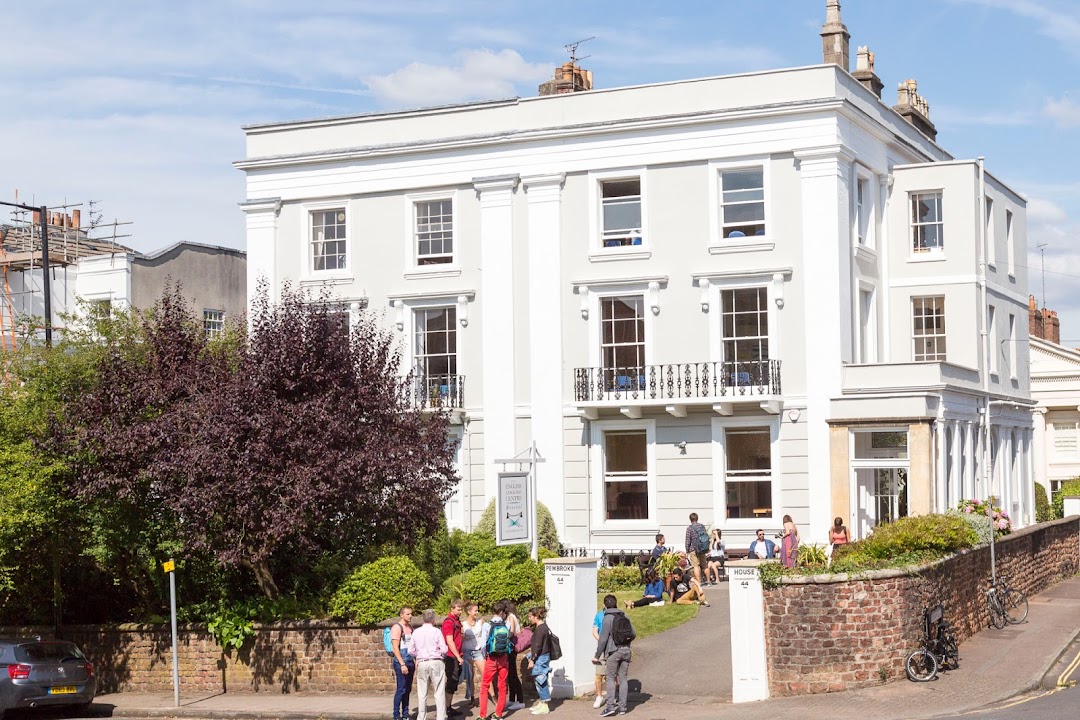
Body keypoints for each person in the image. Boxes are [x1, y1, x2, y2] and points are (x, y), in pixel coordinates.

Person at [594, 594, 635, 718]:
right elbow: (633, 633)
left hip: (613, 652)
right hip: (626, 650)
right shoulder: (624, 615)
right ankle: (623, 707)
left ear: (605, 605)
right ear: (616, 603)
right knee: (623, 678)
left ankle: (610, 707)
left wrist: (597, 655)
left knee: (611, 678)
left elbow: (603, 639)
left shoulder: (607, 618)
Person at [411, 608, 448, 720]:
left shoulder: (416, 632)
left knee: (422, 693)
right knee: (439, 692)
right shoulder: (436, 631)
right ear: (433, 619)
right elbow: (444, 649)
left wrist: (419, 654)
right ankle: (441, 717)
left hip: (422, 662)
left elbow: (410, 650)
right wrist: (439, 654)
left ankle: (421, 717)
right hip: (436, 661)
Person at [479, 602, 510, 720]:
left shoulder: (487, 625)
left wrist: (485, 657)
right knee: (502, 686)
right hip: (503, 658)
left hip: (491, 659)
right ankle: (498, 714)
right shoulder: (506, 625)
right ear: (502, 612)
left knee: (484, 686)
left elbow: (483, 645)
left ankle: (482, 715)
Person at [526, 606, 553, 715]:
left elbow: (538, 646)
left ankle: (545, 705)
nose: (529, 618)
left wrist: (532, 659)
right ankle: (542, 702)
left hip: (540, 657)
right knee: (539, 680)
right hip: (543, 656)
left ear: (536, 616)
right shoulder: (543, 627)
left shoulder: (540, 629)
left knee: (540, 680)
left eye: (530, 616)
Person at [441, 600, 465, 717]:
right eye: (458, 609)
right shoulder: (449, 622)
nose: (460, 612)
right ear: (452, 609)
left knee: (454, 682)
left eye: (461, 609)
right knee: (451, 682)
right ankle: (446, 708)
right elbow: (449, 642)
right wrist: (458, 657)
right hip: (452, 657)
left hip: (457, 656)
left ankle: (448, 707)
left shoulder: (456, 621)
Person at [390, 606, 415, 720]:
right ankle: (396, 715)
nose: (410, 616)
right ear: (401, 615)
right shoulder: (397, 627)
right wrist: (402, 664)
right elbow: (395, 648)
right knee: (401, 689)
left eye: (411, 614)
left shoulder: (410, 627)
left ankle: (405, 714)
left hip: (410, 661)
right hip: (401, 662)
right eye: (408, 614)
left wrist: (416, 660)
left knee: (408, 689)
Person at [503, 601, 526, 712]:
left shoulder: (511, 617)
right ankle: (512, 699)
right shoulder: (510, 617)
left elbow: (511, 632)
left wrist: (502, 637)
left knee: (513, 674)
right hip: (509, 647)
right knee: (510, 674)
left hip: (511, 647)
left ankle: (520, 701)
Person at [461, 603, 483, 706]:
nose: (477, 613)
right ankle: (472, 698)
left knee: (486, 674)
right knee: (470, 676)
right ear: (469, 612)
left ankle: (492, 697)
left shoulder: (481, 622)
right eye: (475, 611)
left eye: (477, 610)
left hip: (478, 651)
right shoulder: (463, 624)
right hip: (467, 651)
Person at [684, 512, 709, 586]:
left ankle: (699, 582)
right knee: (705, 565)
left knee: (696, 566)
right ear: (697, 518)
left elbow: (688, 540)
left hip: (693, 549)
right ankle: (708, 581)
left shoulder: (690, 528)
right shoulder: (702, 526)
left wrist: (687, 550)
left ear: (690, 519)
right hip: (702, 548)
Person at [591, 605, 607, 708]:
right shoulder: (599, 615)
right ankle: (599, 696)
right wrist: (602, 641)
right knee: (598, 674)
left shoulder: (617, 614)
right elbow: (594, 632)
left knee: (614, 674)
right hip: (601, 648)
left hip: (613, 648)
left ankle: (614, 695)